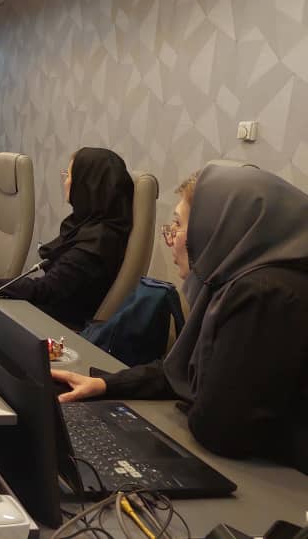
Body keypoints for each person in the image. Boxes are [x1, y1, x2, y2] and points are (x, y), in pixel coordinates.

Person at [53, 165, 308, 473]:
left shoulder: (265, 294)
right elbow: (182, 370)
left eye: (178, 225)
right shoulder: (235, 283)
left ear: (217, 231)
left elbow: (219, 429)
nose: (170, 239)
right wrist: (105, 384)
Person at [0, 147, 133, 331]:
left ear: (87, 184)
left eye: (69, 175)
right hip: (42, 312)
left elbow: (46, 289)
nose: (65, 182)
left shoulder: (98, 242)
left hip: (54, 327)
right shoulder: (85, 225)